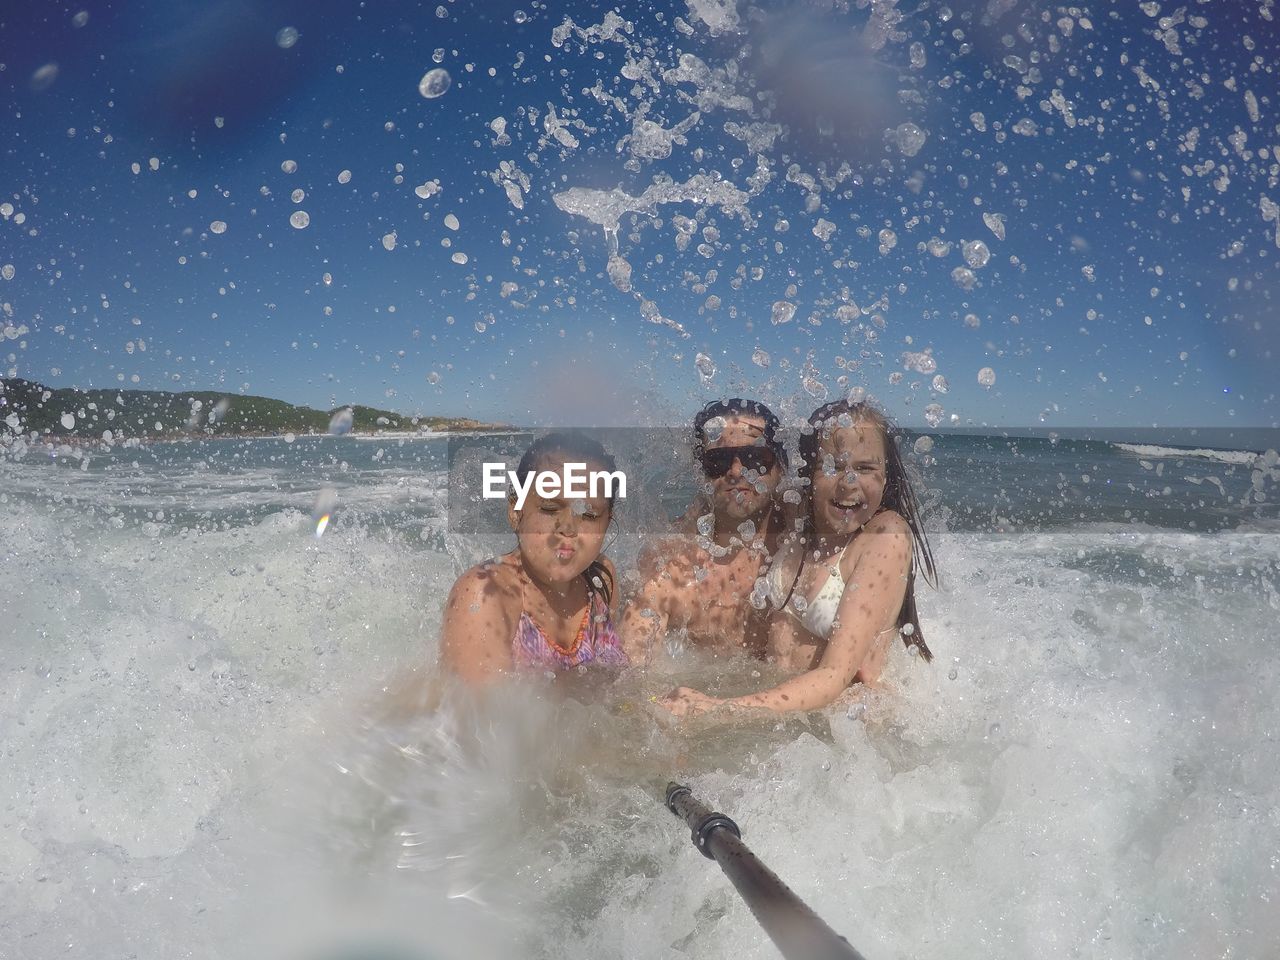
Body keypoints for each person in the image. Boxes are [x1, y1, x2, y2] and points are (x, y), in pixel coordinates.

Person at [662, 399, 937, 715]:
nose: (848, 484)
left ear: (885, 478)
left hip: (843, 730)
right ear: (810, 475)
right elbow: (732, 498)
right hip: (786, 714)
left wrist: (717, 709)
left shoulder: (885, 536)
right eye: (832, 467)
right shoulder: (799, 514)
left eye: (865, 468)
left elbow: (834, 676)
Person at [440, 431, 629, 685]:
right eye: (550, 509)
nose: (569, 528)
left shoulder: (601, 580)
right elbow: (475, 719)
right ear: (516, 511)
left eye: (589, 514)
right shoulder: (487, 594)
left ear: (608, 520)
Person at [620, 398, 788, 662]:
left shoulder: (804, 546)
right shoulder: (669, 565)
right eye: (718, 461)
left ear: (782, 467)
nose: (735, 471)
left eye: (755, 458)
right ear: (701, 472)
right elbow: (632, 675)